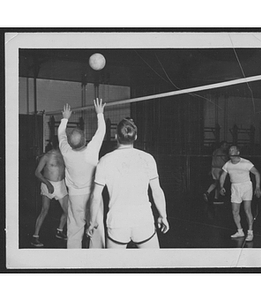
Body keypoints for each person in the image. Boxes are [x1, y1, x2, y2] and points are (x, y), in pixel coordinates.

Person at [86, 118, 169, 249]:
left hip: (118, 223)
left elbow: (95, 196)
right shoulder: (148, 158)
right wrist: (163, 216)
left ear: (115, 136)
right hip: (143, 221)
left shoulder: (105, 161)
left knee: (114, 267)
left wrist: (91, 222)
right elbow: (157, 191)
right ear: (135, 136)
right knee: (153, 264)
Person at [58, 98, 106, 248]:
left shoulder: (66, 151)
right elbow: (101, 132)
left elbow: (61, 135)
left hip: (75, 196)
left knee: (74, 229)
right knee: (96, 229)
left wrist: (65, 118)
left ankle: (74, 261)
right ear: (85, 140)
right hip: (92, 195)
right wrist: (100, 114)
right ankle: (96, 260)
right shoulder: (91, 152)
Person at [219, 145, 261, 242]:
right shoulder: (227, 164)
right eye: (230, 150)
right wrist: (221, 186)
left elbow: (257, 173)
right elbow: (223, 175)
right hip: (235, 187)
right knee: (235, 211)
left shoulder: (246, 163)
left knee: (247, 210)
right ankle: (240, 231)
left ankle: (250, 232)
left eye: (233, 149)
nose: (231, 151)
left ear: (238, 152)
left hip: (246, 187)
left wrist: (258, 187)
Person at [31, 136, 68, 247]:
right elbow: (37, 173)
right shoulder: (47, 156)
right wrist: (48, 184)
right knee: (44, 210)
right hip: (48, 184)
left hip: (60, 185)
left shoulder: (64, 155)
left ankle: (59, 231)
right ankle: (35, 237)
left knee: (68, 211)